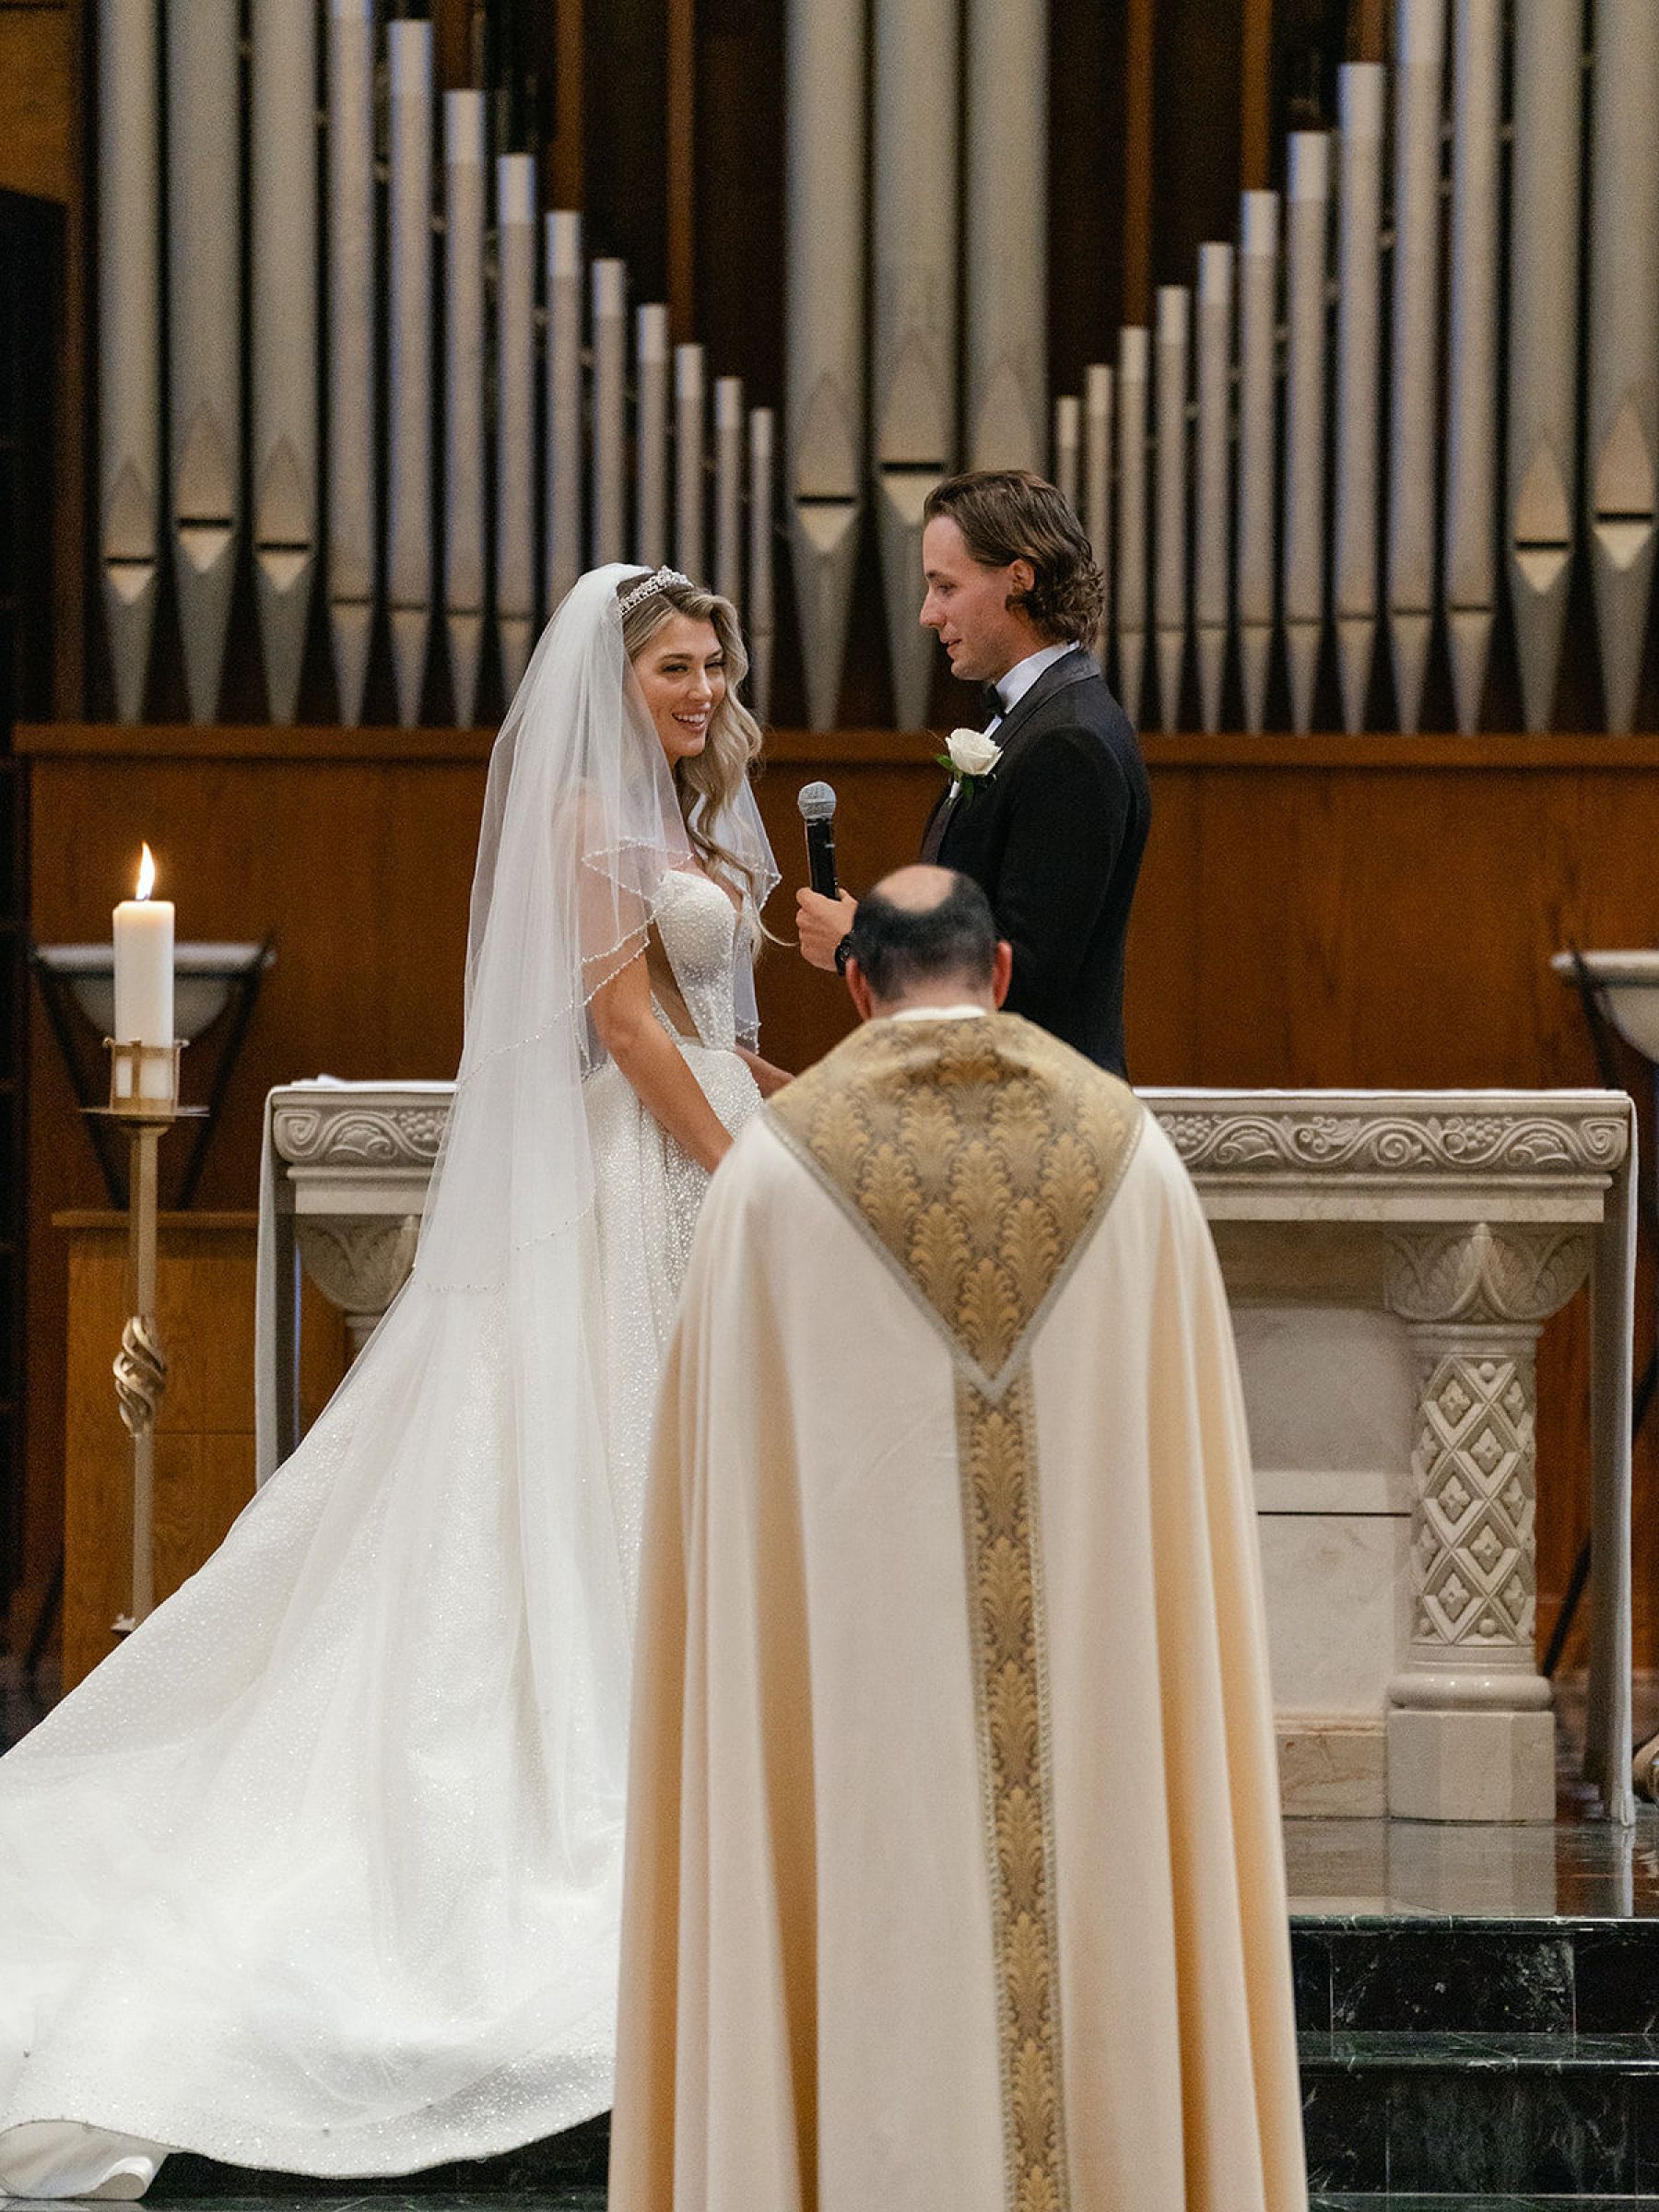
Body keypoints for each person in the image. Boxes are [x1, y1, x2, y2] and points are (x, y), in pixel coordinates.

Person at [0, 564, 784, 2200]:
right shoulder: (588, 816)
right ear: (610, 681)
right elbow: (632, 1031)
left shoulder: (704, 833)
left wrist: (819, 1107)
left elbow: (716, 1028)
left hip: (708, 1154)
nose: (700, 692)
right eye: (670, 668)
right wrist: (746, 1170)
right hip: (640, 1179)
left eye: (713, 666)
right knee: (599, 1472)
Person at [611, 865, 1307, 2212]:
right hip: (1090, 1767)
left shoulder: (768, 1182)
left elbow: (723, 1531)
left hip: (855, 1780)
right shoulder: (1136, 1163)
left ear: (857, 985)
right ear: (996, 978)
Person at [795, 470, 1151, 1076]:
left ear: (1019, 577)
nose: (927, 615)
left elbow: (1028, 974)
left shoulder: (1069, 743)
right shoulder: (1041, 717)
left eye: (945, 587)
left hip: (1038, 1106)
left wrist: (861, 945)